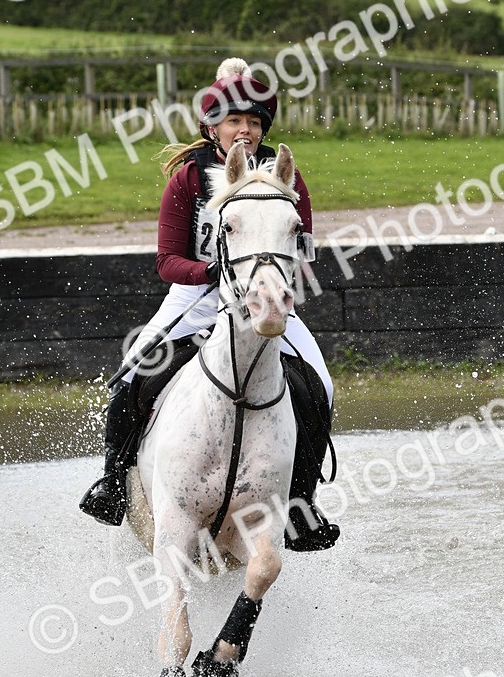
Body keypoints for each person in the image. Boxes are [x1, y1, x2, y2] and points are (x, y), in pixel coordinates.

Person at [80, 57, 338, 550]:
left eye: (254, 122)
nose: (245, 130)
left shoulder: (284, 179)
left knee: (319, 383)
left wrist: (271, 282)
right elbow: (167, 260)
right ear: (213, 127)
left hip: (262, 298)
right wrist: (212, 273)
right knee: (135, 370)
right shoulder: (188, 180)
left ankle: (302, 505)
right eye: (235, 121)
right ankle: (112, 482)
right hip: (196, 298)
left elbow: (304, 250)